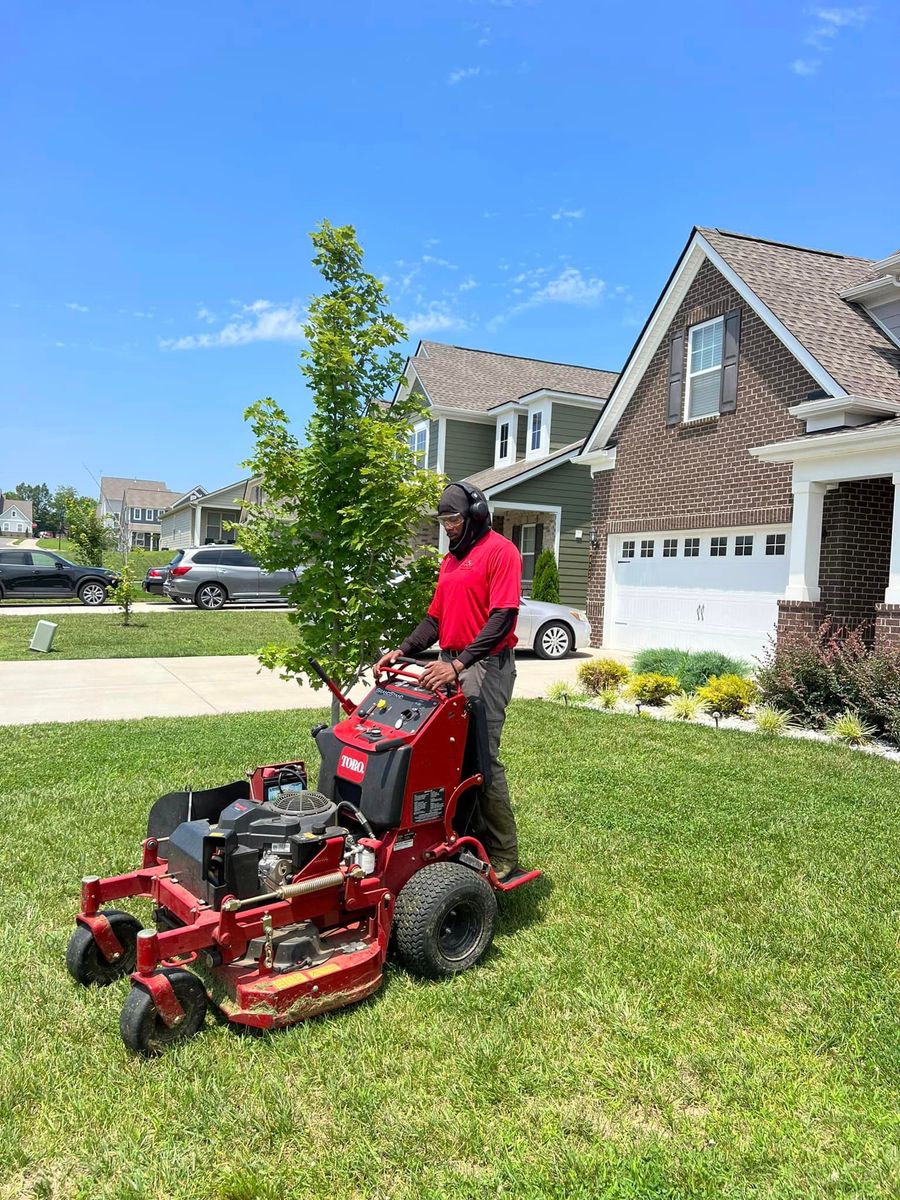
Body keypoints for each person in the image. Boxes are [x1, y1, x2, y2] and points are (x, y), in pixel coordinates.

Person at [375, 482, 522, 880]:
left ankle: (504, 852)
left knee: (481, 760)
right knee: (441, 757)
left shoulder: (501, 552)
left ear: (475, 515)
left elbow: (503, 617)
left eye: (454, 519)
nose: (448, 528)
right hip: (448, 663)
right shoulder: (451, 562)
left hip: (484, 666)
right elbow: (435, 619)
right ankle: (453, 838)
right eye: (443, 521)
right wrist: (403, 649)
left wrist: (458, 667)